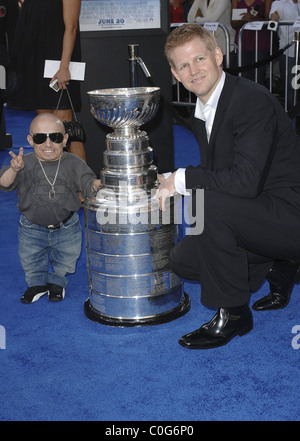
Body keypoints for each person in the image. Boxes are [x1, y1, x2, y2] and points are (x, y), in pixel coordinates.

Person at [156, 24, 300, 350]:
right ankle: (280, 263)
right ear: (175, 74)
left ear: (218, 56)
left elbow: (243, 182)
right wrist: (173, 179)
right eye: (183, 65)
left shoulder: (250, 101)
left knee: (210, 204)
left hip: (290, 213)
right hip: (259, 212)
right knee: (184, 260)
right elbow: (216, 171)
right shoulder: (203, 109)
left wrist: (181, 180)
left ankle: (233, 314)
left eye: (200, 59)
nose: (193, 71)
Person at [0, 113, 100, 304]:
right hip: (31, 227)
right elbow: (4, 184)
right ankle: (36, 284)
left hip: (67, 227)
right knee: (30, 258)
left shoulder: (73, 162)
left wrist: (95, 184)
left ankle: (57, 282)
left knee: (67, 257)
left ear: (64, 140)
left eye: (54, 137)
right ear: (30, 140)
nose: (48, 144)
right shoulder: (23, 163)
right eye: (40, 138)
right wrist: (13, 170)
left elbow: (87, 182)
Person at [8, 0, 86, 162]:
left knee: (66, 130)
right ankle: (53, 183)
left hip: (59, 64)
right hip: (36, 62)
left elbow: (71, 27)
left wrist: (64, 67)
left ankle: (83, 186)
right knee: (44, 131)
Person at [231, 0, 272, 85]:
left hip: (260, 41)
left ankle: (260, 98)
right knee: (243, 75)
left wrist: (253, 19)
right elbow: (233, 23)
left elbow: (269, 20)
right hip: (243, 40)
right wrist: (244, 20)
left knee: (259, 75)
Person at [269, 0, 300, 110]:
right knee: (291, 86)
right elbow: (274, 15)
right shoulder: (279, 3)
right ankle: (292, 116)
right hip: (288, 51)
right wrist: (274, 19)